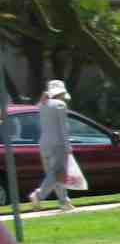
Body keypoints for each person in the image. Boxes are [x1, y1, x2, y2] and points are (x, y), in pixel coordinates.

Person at [26, 81, 80, 212]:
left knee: (54, 174)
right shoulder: (60, 105)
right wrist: (68, 146)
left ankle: (64, 202)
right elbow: (63, 128)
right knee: (57, 173)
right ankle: (38, 195)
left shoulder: (42, 104)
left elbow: (40, 107)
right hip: (58, 144)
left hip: (44, 143)